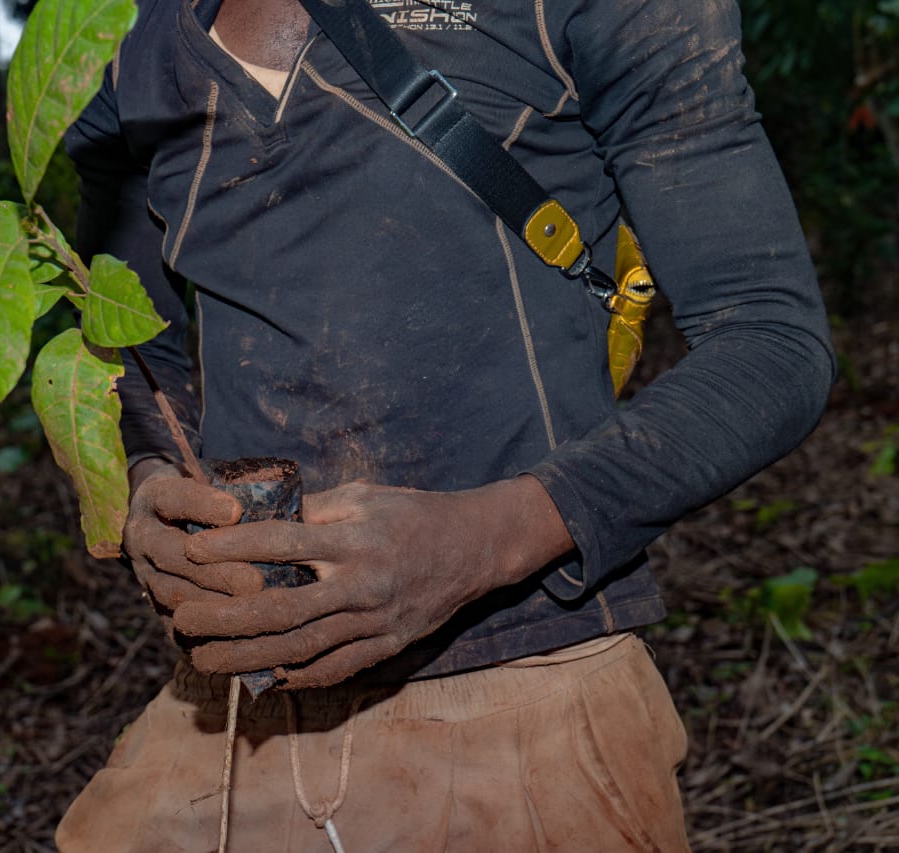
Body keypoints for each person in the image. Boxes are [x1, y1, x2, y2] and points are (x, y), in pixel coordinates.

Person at [56, 0, 834, 848]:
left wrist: (483, 543)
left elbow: (773, 341)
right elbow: (122, 328)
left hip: (526, 707)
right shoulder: (119, 34)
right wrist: (148, 481)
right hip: (231, 720)